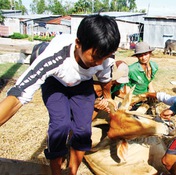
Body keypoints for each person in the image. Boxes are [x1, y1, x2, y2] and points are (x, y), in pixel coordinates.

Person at [0, 14, 120, 175]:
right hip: (55, 82)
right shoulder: (55, 57)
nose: (99, 63)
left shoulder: (105, 59)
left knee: (83, 129)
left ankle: (72, 172)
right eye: (96, 56)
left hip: (82, 84)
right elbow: (18, 95)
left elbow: (106, 80)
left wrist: (107, 97)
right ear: (78, 44)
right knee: (60, 125)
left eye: (104, 57)